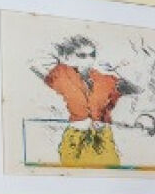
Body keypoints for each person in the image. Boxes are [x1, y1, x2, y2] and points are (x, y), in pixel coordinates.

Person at [34, 35, 137, 168]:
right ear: (68, 57)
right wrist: (63, 58)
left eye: (92, 55)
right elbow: (34, 64)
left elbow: (135, 90)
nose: (89, 60)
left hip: (103, 137)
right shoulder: (62, 74)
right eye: (82, 56)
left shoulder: (105, 79)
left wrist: (118, 70)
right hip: (75, 138)